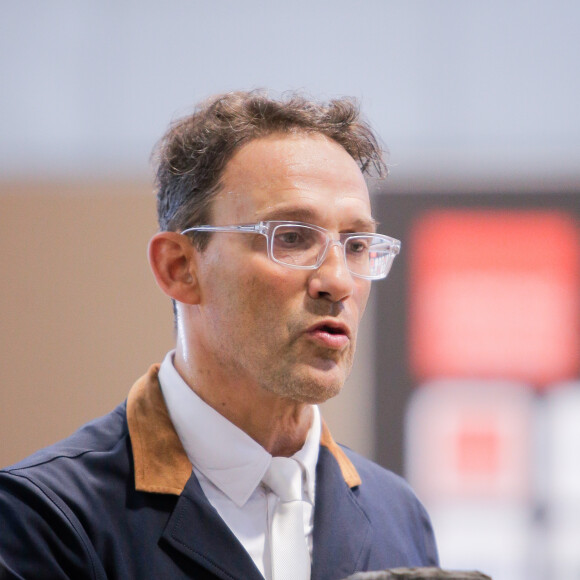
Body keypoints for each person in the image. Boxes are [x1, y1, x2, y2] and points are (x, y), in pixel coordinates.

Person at [0, 91, 438, 579]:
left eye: (356, 245)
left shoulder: (398, 516)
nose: (337, 281)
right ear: (180, 267)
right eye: (291, 237)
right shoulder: (45, 519)